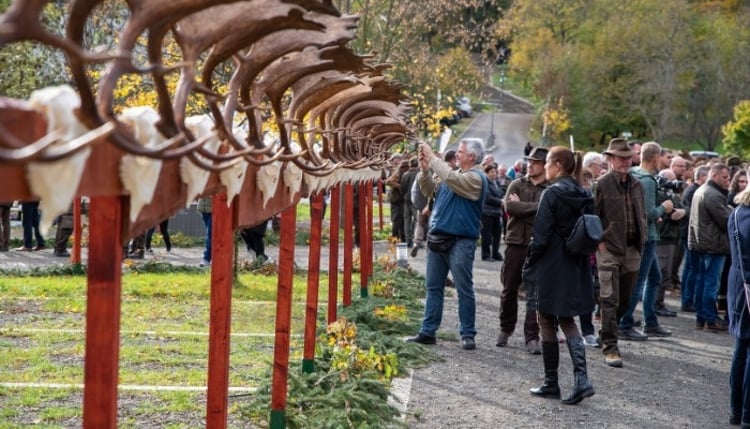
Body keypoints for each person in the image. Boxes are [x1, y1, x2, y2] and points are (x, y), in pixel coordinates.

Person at [524, 146, 595, 405]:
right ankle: (577, 380)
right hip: (577, 263)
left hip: (552, 263)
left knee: (546, 318)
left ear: (555, 165)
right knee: (567, 319)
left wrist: (529, 263)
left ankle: (553, 382)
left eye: (548, 163)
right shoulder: (585, 193)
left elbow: (540, 237)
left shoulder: (551, 193)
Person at [406, 138, 488, 351]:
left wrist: (433, 158)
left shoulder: (476, 178)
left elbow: (450, 178)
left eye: (461, 152)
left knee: (464, 288)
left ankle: (468, 333)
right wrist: (424, 170)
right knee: (433, 287)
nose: (457, 155)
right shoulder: (453, 176)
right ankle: (428, 331)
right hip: (438, 238)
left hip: (461, 241)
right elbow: (427, 190)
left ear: (472, 156)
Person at [594, 138, 647, 368]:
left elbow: (641, 215)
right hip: (609, 249)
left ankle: (606, 330)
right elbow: (591, 217)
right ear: (610, 159)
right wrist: (599, 243)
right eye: (621, 157)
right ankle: (610, 346)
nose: (626, 161)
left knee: (625, 301)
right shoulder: (601, 184)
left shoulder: (637, 185)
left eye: (628, 157)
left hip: (633, 248)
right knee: (609, 299)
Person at [619, 141, 675, 339]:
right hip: (647, 238)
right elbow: (647, 213)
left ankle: (650, 322)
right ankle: (625, 324)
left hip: (636, 235)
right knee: (638, 281)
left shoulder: (633, 173)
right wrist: (664, 208)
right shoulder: (648, 181)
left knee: (654, 278)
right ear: (655, 157)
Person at [496, 147, 549, 355]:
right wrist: (537, 207)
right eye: (529, 161)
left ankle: (532, 336)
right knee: (509, 289)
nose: (530, 164)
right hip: (515, 243)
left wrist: (524, 208)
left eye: (535, 161)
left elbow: (548, 214)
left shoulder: (550, 188)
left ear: (545, 165)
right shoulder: (517, 183)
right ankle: (505, 329)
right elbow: (510, 209)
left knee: (534, 293)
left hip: (538, 245)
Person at [689, 162, 732, 332]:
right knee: (710, 283)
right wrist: (731, 212)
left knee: (702, 282)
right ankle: (710, 319)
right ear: (714, 176)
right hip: (713, 246)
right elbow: (726, 221)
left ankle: (702, 318)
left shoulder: (703, 190)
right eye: (724, 177)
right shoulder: (713, 194)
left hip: (702, 244)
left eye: (728, 177)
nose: (728, 180)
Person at [727, 185, 750, 427]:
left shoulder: (737, 211)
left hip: (739, 285)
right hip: (746, 286)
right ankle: (746, 415)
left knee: (741, 348)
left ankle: (737, 411)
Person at [681, 165, 709, 313]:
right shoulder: (694, 191)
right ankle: (687, 299)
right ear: (702, 177)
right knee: (692, 269)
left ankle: (687, 299)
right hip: (690, 233)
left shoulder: (693, 190)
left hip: (689, 233)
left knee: (690, 268)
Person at [480, 163, 503, 262]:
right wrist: (501, 201)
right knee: (487, 235)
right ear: (486, 173)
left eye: (495, 172)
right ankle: (486, 254)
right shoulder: (484, 183)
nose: (494, 174)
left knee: (497, 234)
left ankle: (495, 253)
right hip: (487, 212)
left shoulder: (496, 183)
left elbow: (501, 193)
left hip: (497, 212)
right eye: (492, 172)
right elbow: (487, 197)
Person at [386, 158, 408, 243]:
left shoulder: (405, 171)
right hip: (396, 199)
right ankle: (395, 237)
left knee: (402, 219)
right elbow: (389, 181)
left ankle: (402, 238)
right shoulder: (398, 172)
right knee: (396, 219)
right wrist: (400, 187)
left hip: (402, 199)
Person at [198, 197, 212, 267]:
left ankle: (206, 258)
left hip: (213, 209)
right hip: (204, 209)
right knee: (211, 235)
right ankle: (211, 258)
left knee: (210, 234)